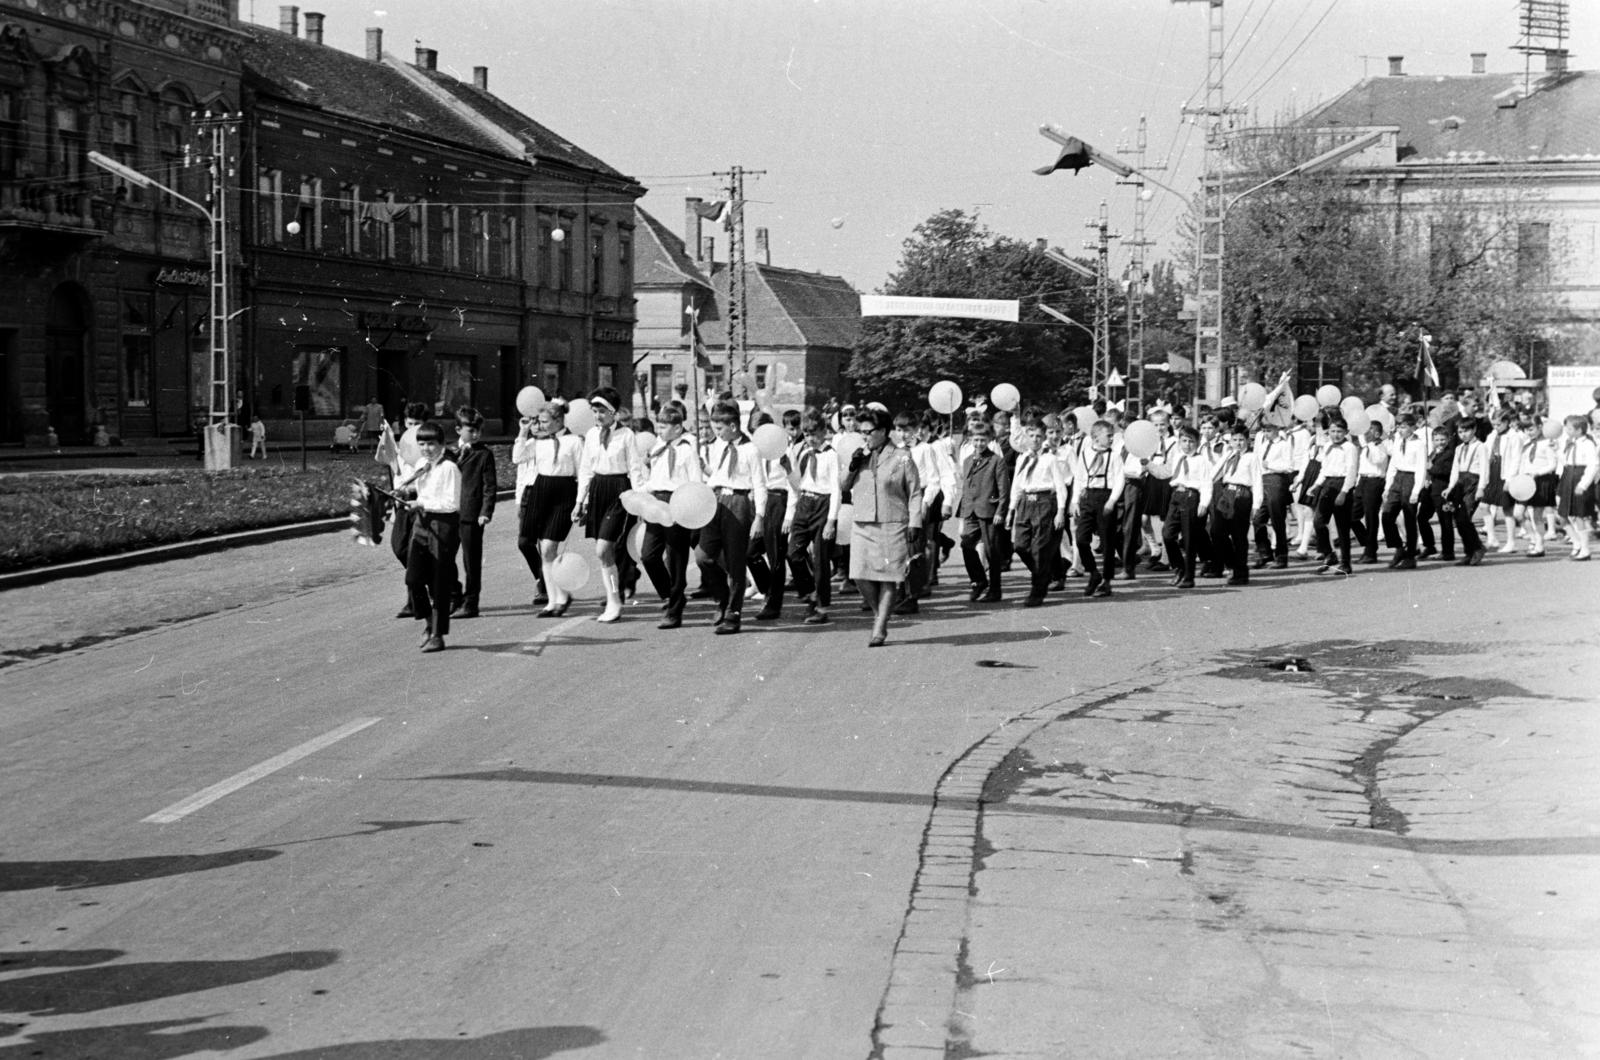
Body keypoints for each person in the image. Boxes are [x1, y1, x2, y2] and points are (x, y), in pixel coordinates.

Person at [840, 406, 923, 647]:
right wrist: (853, 464)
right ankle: (880, 613)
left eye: (868, 431)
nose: (864, 436)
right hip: (863, 522)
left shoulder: (902, 456)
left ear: (884, 431)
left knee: (889, 577)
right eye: (861, 431)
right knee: (859, 574)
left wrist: (915, 522)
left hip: (893, 522)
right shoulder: (859, 455)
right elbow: (844, 485)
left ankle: (880, 625)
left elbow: (915, 491)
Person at [574, 387, 646, 623]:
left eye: (602, 411)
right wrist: (579, 502)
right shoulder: (591, 435)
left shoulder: (627, 435)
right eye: (594, 411)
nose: (597, 415)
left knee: (604, 549)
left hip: (619, 492)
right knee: (606, 553)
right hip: (598, 490)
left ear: (614, 412)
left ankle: (615, 600)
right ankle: (614, 601)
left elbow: (635, 470)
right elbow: (585, 470)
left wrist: (641, 502)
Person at [696, 402, 767, 635]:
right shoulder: (718, 445)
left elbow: (759, 483)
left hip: (739, 503)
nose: (717, 433)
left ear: (734, 426)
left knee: (736, 562)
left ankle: (733, 614)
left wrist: (759, 517)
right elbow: (716, 474)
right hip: (716, 500)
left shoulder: (751, 450)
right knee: (703, 556)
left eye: (720, 429)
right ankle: (722, 598)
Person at [396, 422, 462, 653]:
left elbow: (451, 504)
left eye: (431, 444)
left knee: (438, 583)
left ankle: (438, 635)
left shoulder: (449, 468)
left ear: (442, 444)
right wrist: (406, 491)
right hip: (421, 525)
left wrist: (421, 503)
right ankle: (428, 623)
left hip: (443, 526)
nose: (426, 448)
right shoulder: (423, 464)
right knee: (413, 579)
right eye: (422, 443)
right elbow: (421, 490)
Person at [517, 400, 584, 616]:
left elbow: (583, 472)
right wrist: (523, 432)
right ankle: (554, 601)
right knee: (545, 550)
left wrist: (581, 502)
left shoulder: (574, 441)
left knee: (548, 549)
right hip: (541, 491)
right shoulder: (539, 442)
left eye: (545, 422)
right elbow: (517, 457)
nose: (542, 426)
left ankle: (561, 596)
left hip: (564, 493)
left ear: (558, 420)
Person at [640, 401, 703, 629]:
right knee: (648, 555)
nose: (659, 431)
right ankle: (669, 595)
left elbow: (695, 482)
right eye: (658, 427)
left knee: (676, 560)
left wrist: (689, 509)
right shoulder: (657, 447)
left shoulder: (687, 449)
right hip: (657, 502)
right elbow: (653, 479)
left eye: (664, 427)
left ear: (678, 428)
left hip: (678, 503)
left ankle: (674, 610)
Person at [1006, 412, 1068, 607]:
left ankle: (1037, 592)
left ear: (1044, 438)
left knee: (1040, 550)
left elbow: (1060, 486)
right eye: (1031, 436)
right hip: (1025, 503)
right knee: (1020, 546)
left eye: (1039, 436)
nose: (1035, 440)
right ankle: (1045, 573)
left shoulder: (1050, 459)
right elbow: (1016, 484)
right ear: (1026, 437)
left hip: (1044, 502)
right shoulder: (1022, 458)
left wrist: (1060, 511)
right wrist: (1011, 510)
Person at [786, 406, 840, 625]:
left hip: (823, 504)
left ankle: (821, 607)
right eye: (807, 434)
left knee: (820, 559)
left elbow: (836, 488)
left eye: (815, 434)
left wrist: (831, 521)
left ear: (824, 432)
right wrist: (790, 514)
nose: (811, 439)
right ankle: (809, 592)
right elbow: (796, 485)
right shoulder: (802, 453)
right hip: (804, 503)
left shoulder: (830, 455)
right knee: (793, 552)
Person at [953, 418, 1009, 602]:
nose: (979, 444)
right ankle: (978, 581)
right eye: (976, 440)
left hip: (989, 512)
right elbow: (967, 486)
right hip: (970, 511)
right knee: (966, 544)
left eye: (983, 440)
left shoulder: (996, 461)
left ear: (989, 440)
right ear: (970, 440)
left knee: (992, 552)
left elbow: (1003, 489)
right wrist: (963, 511)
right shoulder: (968, 460)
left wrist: (1001, 511)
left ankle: (995, 589)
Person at [449, 407, 497, 618]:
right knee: (445, 556)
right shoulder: (449, 452)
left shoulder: (484, 454)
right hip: (449, 512)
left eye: (478, 430)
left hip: (471, 514)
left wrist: (485, 511)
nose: (476, 434)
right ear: (458, 429)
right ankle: (454, 594)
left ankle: (471, 602)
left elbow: (489, 486)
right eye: (471, 430)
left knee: (471, 560)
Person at [1072, 419, 1124, 598]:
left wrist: (1112, 500)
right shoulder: (1085, 453)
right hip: (1087, 497)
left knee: (1107, 542)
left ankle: (1107, 581)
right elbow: (1078, 478)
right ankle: (1094, 573)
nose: (1111, 439)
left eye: (1112, 436)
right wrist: (1075, 501)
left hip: (1105, 497)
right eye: (1108, 436)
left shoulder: (1114, 455)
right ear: (1095, 437)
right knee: (1081, 539)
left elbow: (1119, 480)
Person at [389, 401, 431, 617]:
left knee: (414, 550)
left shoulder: (428, 448)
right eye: (409, 423)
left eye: (418, 424)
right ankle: (422, 587)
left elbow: (429, 478)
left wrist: (409, 490)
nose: (413, 428)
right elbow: (397, 473)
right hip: (402, 503)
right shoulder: (401, 446)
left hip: (420, 502)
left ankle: (413, 599)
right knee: (399, 546)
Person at [1212, 421, 1265, 584]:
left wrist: (1256, 505)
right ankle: (1231, 563)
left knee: (1239, 535)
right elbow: (1215, 473)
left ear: (1248, 440)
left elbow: (1257, 481)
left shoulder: (1252, 457)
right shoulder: (1229, 455)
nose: (1238, 443)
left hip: (1242, 495)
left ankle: (1241, 572)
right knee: (1217, 532)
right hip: (1226, 493)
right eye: (1235, 440)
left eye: (1241, 440)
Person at [1308, 417, 1358, 577]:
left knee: (1342, 526)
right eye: (1333, 431)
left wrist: (1344, 491)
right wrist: (1316, 485)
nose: (1336, 435)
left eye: (1339, 432)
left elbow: (1351, 471)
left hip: (1342, 484)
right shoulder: (1327, 445)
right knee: (1318, 522)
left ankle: (1346, 562)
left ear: (1346, 432)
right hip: (1328, 484)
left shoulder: (1349, 448)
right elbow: (1324, 468)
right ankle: (1329, 554)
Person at [1381, 413, 1429, 569]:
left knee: (1409, 519)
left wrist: (1416, 490)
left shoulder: (1419, 444)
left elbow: (1421, 468)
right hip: (1397, 478)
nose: (1399, 430)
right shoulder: (1397, 440)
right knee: (1387, 515)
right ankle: (1399, 548)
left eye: (1403, 427)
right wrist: (1388, 486)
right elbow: (1393, 463)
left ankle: (1410, 557)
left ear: (1412, 427)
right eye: (1398, 427)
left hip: (1411, 479)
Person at [1444, 416, 1489, 566]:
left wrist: (1481, 487)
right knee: (1458, 519)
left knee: (1465, 518)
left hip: (1474, 482)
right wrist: (1451, 487)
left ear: (1474, 430)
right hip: (1460, 482)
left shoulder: (1481, 446)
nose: (1463, 434)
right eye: (1460, 431)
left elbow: (1484, 468)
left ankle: (1477, 548)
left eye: (1466, 431)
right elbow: (1455, 469)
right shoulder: (1459, 448)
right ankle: (1469, 551)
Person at [1251, 419, 1296, 568]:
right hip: (1263, 480)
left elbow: (1289, 466)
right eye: (1264, 431)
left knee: (1277, 520)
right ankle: (1264, 552)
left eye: (1269, 430)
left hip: (1277, 480)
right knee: (1258, 519)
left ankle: (1282, 555)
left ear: (1277, 429)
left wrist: (1270, 465)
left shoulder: (1284, 444)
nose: (1266, 434)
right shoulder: (1264, 444)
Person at [1554, 415, 1597, 561]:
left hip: (1579, 476)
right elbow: (1565, 461)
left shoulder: (1588, 444)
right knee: (1562, 514)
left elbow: (1593, 465)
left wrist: (1583, 484)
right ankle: (1576, 542)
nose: (1566, 430)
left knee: (1580, 515)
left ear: (1579, 430)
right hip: (1568, 476)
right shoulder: (1569, 442)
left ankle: (1585, 550)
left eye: (1569, 428)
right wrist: (1557, 451)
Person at [1352, 420, 1390, 563]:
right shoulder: (1366, 446)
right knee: (1352, 516)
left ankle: (1370, 552)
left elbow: (1376, 460)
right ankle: (1368, 542)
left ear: (1377, 434)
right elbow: (1362, 466)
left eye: (1369, 431)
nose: (1365, 434)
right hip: (1363, 481)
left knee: (1370, 517)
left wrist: (1367, 445)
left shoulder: (1381, 447)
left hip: (1375, 481)